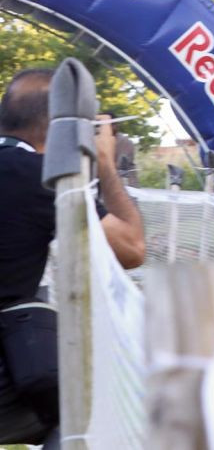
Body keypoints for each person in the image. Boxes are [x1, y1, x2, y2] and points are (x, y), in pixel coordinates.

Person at [0, 69, 146, 443]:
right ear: (63, 128)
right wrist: (104, 163)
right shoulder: (36, 177)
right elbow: (131, 249)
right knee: (86, 412)